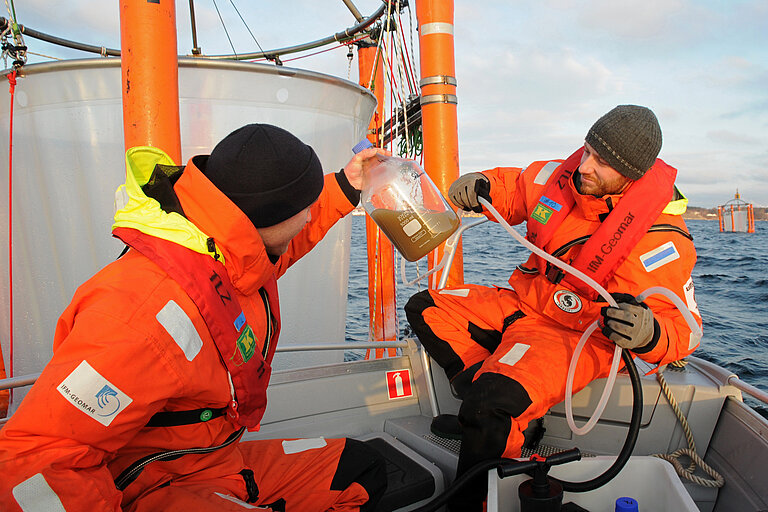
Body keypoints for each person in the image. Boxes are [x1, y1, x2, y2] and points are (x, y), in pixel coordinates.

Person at [0, 124, 388, 511]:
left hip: (213, 463)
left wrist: (345, 186)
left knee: (359, 468)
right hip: (153, 484)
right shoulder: (140, 310)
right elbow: (37, 458)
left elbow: (283, 238)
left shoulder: (233, 252)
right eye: (304, 205)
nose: (309, 216)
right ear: (265, 216)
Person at [405, 105, 703, 511]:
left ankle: (474, 484)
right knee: (425, 308)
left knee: (491, 405)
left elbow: (685, 327)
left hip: (577, 334)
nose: (585, 166)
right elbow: (515, 186)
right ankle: (503, 417)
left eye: (602, 162)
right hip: (523, 302)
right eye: (587, 150)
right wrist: (481, 185)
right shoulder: (559, 177)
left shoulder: (661, 242)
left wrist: (649, 333)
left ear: (631, 175)